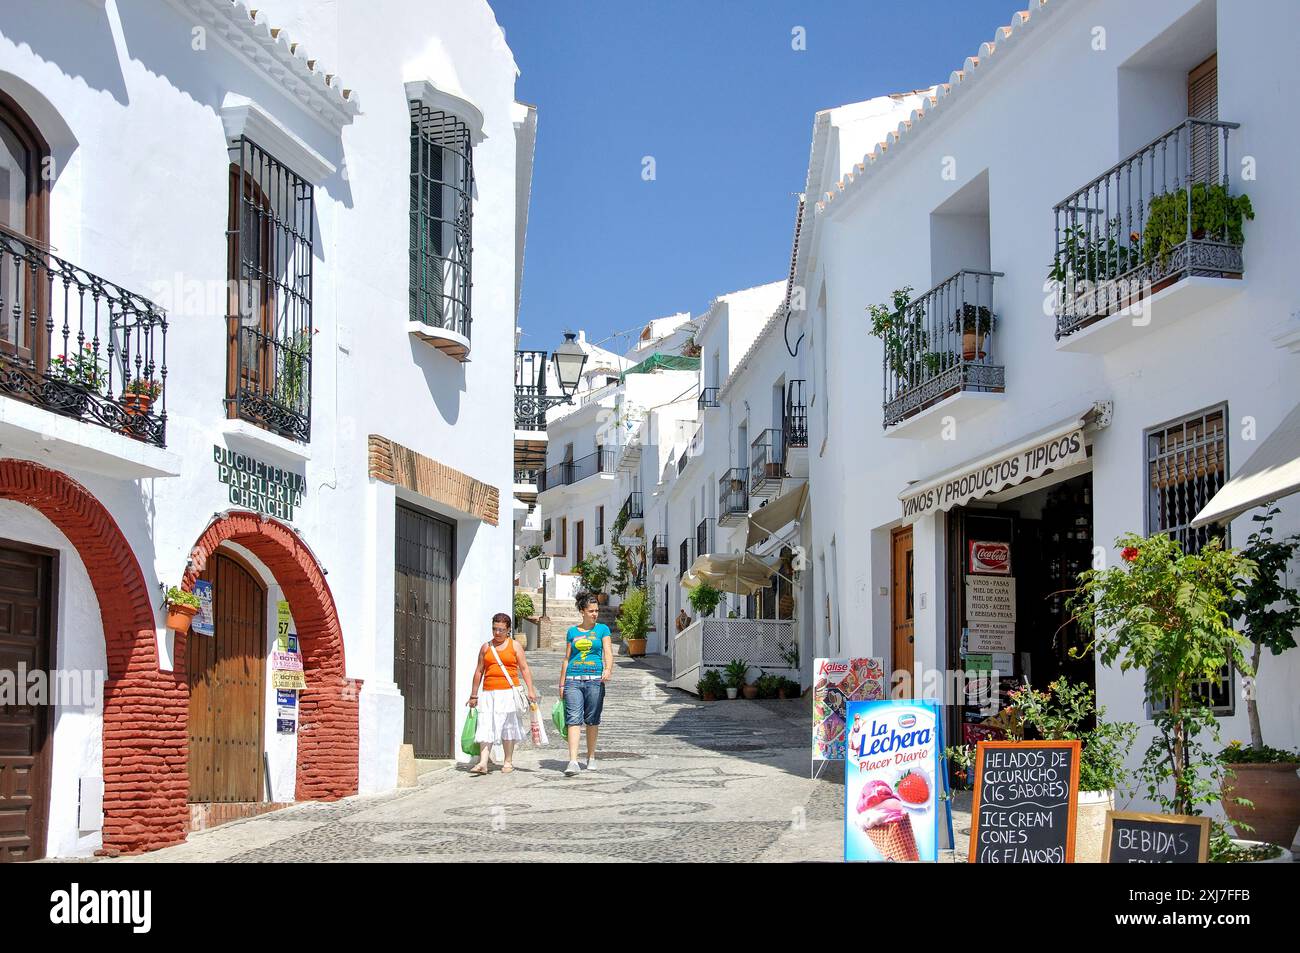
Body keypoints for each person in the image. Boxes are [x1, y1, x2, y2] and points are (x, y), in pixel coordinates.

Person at [466, 612, 538, 775]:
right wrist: (474, 694)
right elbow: (479, 671)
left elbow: (524, 668)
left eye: (501, 630)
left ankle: (508, 761)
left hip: (508, 693)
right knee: (486, 724)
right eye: (494, 629)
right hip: (489, 692)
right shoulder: (486, 647)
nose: (497, 633)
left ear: (508, 630)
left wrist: (531, 689)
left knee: (508, 726)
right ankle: (483, 762)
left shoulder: (515, 646)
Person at [559, 592, 612, 776]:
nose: (594, 614)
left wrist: (608, 669)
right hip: (573, 680)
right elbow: (567, 659)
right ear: (582, 611)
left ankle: (591, 756)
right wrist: (561, 684)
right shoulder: (572, 632)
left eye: (596, 610)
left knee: (592, 719)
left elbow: (608, 651)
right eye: (591, 611)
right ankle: (573, 761)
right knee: (573, 719)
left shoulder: (603, 630)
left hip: (595, 681)